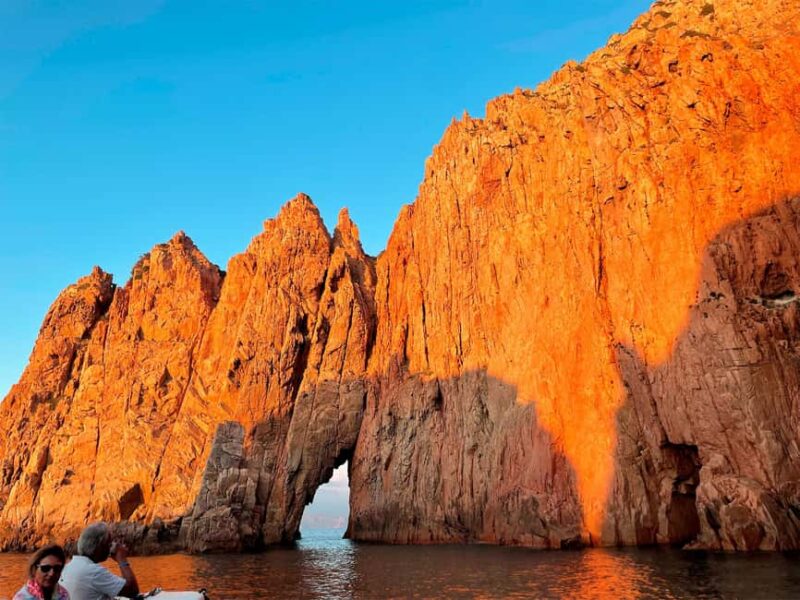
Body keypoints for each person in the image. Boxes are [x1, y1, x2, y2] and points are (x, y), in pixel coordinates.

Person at [59, 523, 139, 600]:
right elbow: (132, 591)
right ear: (100, 547)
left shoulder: (66, 568)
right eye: (109, 544)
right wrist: (121, 559)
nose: (110, 548)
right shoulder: (94, 572)